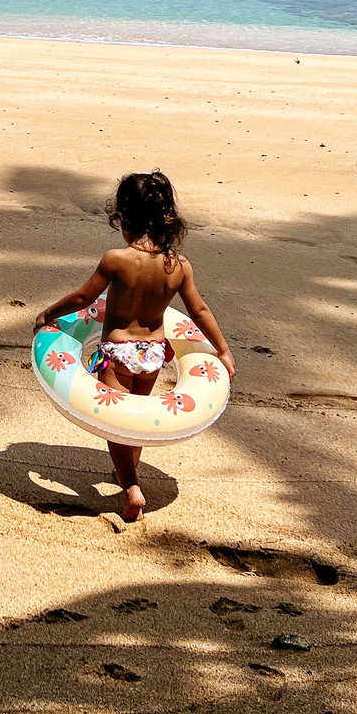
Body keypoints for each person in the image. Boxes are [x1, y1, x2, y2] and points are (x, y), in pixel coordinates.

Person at [33, 171, 234, 522]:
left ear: (123, 217)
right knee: (134, 416)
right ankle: (128, 471)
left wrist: (49, 313)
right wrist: (223, 350)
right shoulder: (178, 266)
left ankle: (131, 489)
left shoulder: (117, 260)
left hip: (118, 353)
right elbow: (198, 310)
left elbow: (84, 297)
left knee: (116, 425)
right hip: (154, 354)